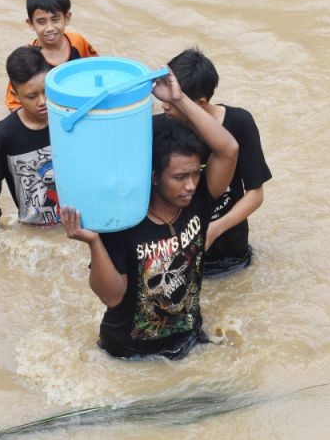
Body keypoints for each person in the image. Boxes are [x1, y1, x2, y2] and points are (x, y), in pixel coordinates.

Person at [62, 71, 239, 360]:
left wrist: (179, 99)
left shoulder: (198, 202)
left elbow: (228, 149)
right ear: (154, 177)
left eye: (195, 174)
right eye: (180, 177)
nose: (191, 185)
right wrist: (93, 242)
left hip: (190, 339)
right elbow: (111, 297)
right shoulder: (123, 221)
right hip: (130, 355)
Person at [157, 48, 271, 275]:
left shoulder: (239, 123)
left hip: (228, 252)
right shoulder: (162, 127)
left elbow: (255, 194)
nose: (164, 105)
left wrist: (215, 229)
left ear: (198, 103)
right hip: (176, 254)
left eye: (174, 99)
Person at [0, 46, 60, 227]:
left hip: (81, 224)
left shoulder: (68, 120)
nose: (42, 101)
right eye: (32, 96)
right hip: (36, 232)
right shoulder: (3, 136)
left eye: (46, 91)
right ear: (15, 94)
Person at [3, 0, 98, 110]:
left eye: (55, 19)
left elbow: (96, 70)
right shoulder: (28, 59)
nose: (50, 28)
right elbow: (14, 104)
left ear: (67, 18)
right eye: (41, 22)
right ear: (31, 24)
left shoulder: (77, 41)